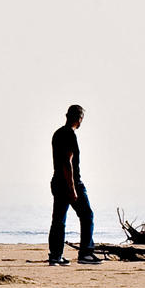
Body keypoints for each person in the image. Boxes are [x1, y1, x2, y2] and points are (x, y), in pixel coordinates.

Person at [46, 104, 96, 265]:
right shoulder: (69, 134)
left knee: (58, 219)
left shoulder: (58, 133)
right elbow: (67, 162)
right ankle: (86, 254)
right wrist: (72, 187)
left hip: (57, 181)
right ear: (79, 119)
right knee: (87, 215)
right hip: (70, 182)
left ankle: (55, 255)